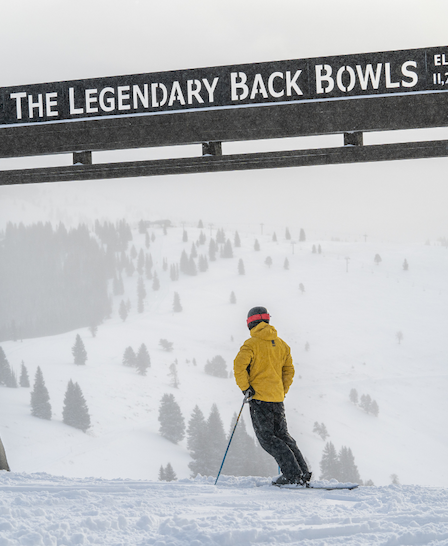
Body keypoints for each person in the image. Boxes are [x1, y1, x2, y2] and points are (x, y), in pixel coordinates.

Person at [233, 306, 311, 485]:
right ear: (267, 320)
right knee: (283, 435)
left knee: (268, 439)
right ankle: (302, 473)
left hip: (260, 398)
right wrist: (282, 390)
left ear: (250, 323)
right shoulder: (282, 344)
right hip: (277, 398)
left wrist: (246, 388)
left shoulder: (251, 344)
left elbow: (239, 367)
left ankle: (292, 475)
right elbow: (289, 370)